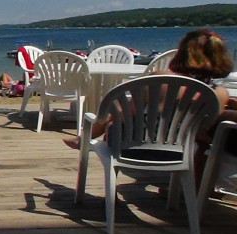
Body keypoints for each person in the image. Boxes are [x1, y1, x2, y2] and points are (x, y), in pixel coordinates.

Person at [63, 29, 235, 155]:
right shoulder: (219, 93)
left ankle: (83, 141)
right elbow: (202, 131)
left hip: (131, 146)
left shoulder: (160, 79)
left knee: (115, 114)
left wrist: (108, 122)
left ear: (183, 53)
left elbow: (124, 116)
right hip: (181, 152)